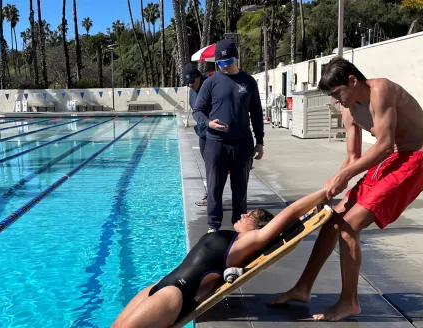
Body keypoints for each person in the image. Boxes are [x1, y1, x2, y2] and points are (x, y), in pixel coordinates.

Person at [269, 57, 423, 321]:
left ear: (353, 81)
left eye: (337, 93)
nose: (337, 101)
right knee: (332, 219)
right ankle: (303, 288)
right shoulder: (349, 110)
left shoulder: (382, 91)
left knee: (349, 225)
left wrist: (345, 175)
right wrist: (333, 184)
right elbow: (352, 156)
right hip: (392, 160)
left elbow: (383, 144)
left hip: (414, 160)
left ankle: (349, 302)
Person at [111, 188, 332, 328]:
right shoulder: (235, 238)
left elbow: (291, 211)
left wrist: (324, 192)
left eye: (251, 216)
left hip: (175, 294)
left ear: (259, 228)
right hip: (160, 285)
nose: (244, 214)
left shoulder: (250, 240)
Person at [192, 39, 265, 233]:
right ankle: (213, 226)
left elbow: (257, 113)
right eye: (220, 63)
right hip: (216, 144)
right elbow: (197, 111)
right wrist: (208, 123)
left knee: (240, 189)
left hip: (242, 144)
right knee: (214, 188)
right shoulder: (210, 82)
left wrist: (260, 142)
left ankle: (239, 226)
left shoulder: (248, 82)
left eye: (228, 61)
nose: (224, 66)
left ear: (236, 58)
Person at [182, 63, 210, 206]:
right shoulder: (192, 91)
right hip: (203, 133)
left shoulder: (210, 85)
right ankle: (210, 195)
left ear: (199, 77)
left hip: (214, 133)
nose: (190, 85)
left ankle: (211, 196)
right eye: (187, 82)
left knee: (214, 166)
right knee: (208, 165)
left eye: (192, 81)